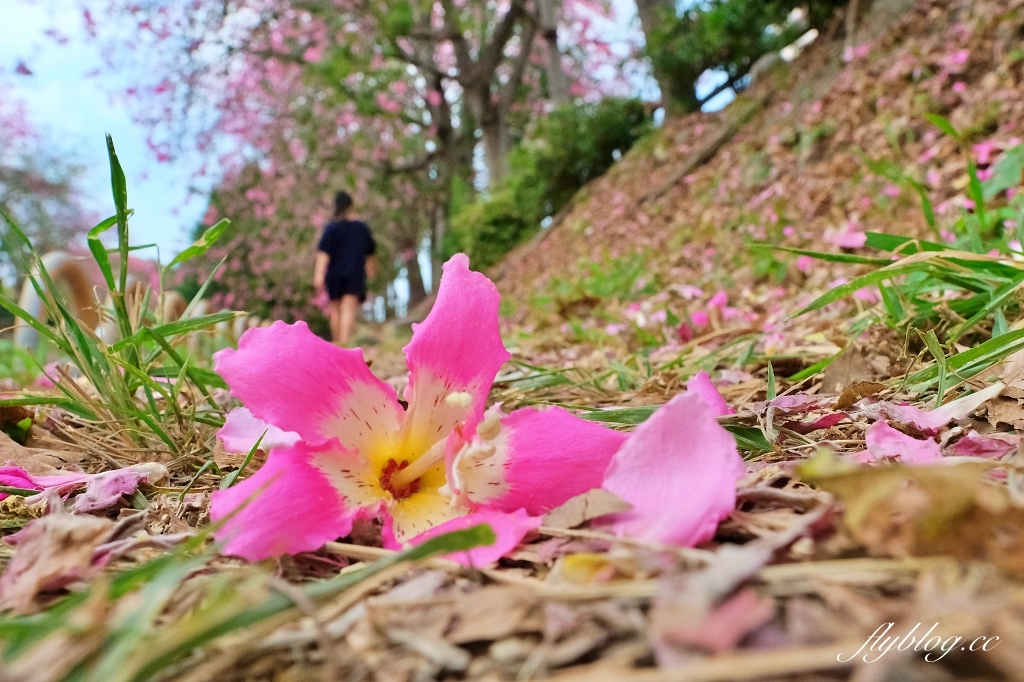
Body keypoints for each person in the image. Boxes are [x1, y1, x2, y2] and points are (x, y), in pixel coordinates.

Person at [313, 191, 378, 345]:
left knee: (335, 311)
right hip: (354, 274)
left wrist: (318, 275)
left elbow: (323, 254)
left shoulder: (331, 229)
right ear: (351, 205)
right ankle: (344, 345)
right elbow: (371, 254)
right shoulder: (361, 229)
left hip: (334, 275)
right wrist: (372, 270)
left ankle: (337, 345)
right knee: (348, 310)